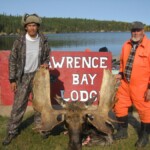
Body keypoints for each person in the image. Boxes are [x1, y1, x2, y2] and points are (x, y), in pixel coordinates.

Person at [2, 13, 50, 146]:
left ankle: (40, 128)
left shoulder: (43, 40)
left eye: (34, 25)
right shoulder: (19, 41)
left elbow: (47, 56)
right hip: (23, 77)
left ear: (38, 27)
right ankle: (12, 132)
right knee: (18, 106)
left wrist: (46, 63)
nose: (32, 28)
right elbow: (12, 60)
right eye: (29, 25)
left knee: (39, 104)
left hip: (38, 76)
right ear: (25, 27)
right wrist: (12, 79)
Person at [113, 21, 150, 148]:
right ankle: (122, 131)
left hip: (142, 85)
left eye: (138, 30)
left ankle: (145, 136)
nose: (135, 33)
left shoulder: (149, 46)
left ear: (143, 31)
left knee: (145, 110)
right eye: (133, 30)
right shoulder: (126, 45)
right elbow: (123, 63)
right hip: (125, 83)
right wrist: (120, 73)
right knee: (119, 105)